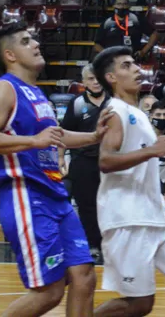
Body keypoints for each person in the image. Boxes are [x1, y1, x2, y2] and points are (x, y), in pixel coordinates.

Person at [0, 22, 107, 316]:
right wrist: (33, 140)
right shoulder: (5, 88)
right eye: (26, 41)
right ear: (10, 55)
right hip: (27, 197)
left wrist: (95, 136)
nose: (36, 44)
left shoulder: (36, 93)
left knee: (84, 276)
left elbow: (57, 136)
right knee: (49, 293)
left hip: (55, 196)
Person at [91, 46, 165, 317]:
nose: (136, 69)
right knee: (141, 304)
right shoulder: (115, 112)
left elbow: (137, 171)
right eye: (126, 66)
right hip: (127, 219)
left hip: (153, 213)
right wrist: (153, 150)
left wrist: (160, 198)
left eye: (135, 63)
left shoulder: (137, 114)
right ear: (111, 78)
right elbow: (105, 161)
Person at [60, 64, 109, 261]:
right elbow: (64, 133)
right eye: (90, 79)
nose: (95, 82)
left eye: (98, 78)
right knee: (87, 205)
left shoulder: (115, 101)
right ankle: (93, 244)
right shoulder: (77, 103)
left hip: (110, 162)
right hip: (83, 162)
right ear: (83, 82)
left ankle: (110, 244)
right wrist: (60, 157)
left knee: (110, 204)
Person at [93, 0, 157, 60]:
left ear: (128, 6)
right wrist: (107, 55)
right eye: (119, 4)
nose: (122, 6)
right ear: (114, 6)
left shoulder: (136, 19)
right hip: (113, 60)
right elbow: (97, 45)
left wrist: (143, 52)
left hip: (132, 57)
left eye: (125, 4)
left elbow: (154, 34)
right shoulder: (107, 22)